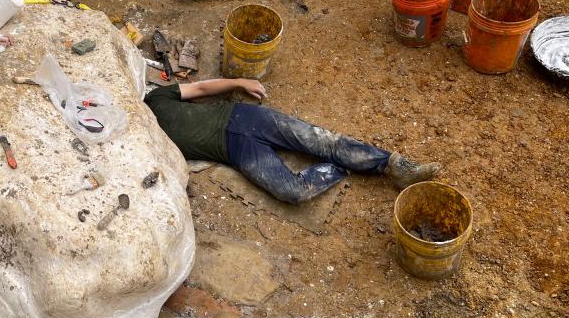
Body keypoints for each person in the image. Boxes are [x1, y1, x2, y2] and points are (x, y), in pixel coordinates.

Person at [144, 78, 439, 204]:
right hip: (235, 150)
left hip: (242, 115)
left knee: (321, 139)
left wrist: (238, 82)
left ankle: (394, 165)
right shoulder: (141, 144)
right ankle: (343, 166)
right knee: (292, 192)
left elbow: (200, 87)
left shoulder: (155, 98)